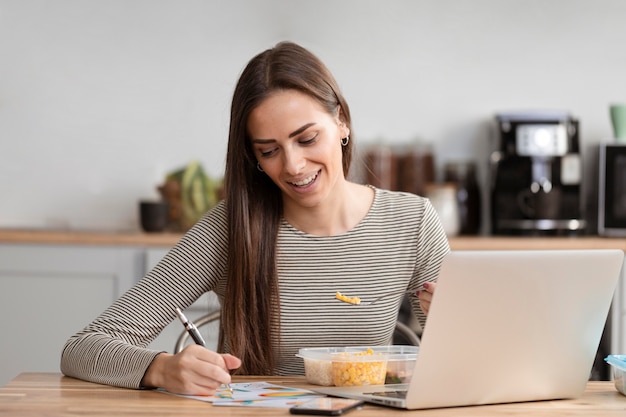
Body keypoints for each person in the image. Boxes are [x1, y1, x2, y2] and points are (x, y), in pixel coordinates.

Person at [60, 41, 450, 395]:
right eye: (269, 150)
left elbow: (458, 366)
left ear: (342, 122)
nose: (294, 165)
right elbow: (83, 348)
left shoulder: (411, 223)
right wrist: (161, 369)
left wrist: (452, 324)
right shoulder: (229, 228)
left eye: (307, 138)